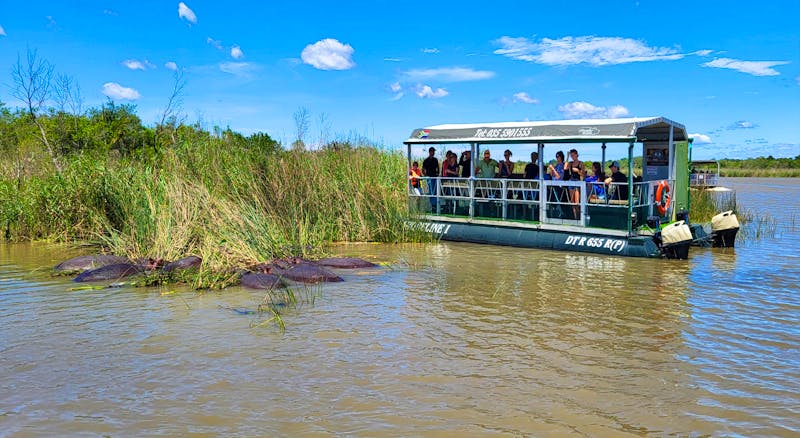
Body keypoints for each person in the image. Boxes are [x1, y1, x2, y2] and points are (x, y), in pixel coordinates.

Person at [564, 149, 585, 218]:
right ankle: (575, 218)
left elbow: (583, 175)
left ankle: (579, 217)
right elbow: (565, 168)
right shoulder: (570, 163)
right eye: (571, 155)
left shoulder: (581, 163)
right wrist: (567, 157)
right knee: (572, 203)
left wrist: (578, 171)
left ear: (576, 155)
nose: (572, 157)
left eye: (573, 155)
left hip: (578, 182)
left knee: (577, 202)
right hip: (571, 182)